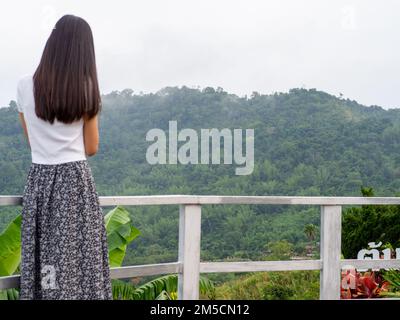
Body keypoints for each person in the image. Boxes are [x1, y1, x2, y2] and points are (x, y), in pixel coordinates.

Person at [16, 14, 112, 300]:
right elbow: (92, 147)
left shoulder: (24, 85)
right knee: (80, 262)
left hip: (40, 180)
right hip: (74, 183)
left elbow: (31, 139)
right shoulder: (86, 89)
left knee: (47, 260)